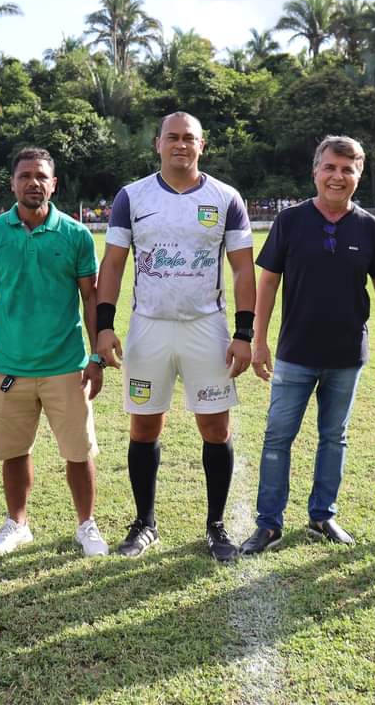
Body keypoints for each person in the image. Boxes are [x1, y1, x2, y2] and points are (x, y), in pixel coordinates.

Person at [96, 111, 256, 562]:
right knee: (145, 424)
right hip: (149, 326)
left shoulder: (226, 198)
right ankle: (144, 522)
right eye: (173, 137)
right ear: (158, 143)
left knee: (215, 425)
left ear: (202, 145)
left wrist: (244, 332)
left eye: (190, 138)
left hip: (206, 327)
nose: (181, 145)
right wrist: (104, 326)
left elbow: (243, 268)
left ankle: (216, 525)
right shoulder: (132, 196)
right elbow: (112, 263)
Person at [240, 136, 375, 555]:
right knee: (278, 437)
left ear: (359, 175)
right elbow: (268, 283)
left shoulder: (370, 228)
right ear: (315, 171)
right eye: (330, 167)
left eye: (348, 169)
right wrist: (259, 341)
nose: (337, 176)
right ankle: (268, 524)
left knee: (335, 437)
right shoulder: (290, 221)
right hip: (295, 353)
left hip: (347, 356)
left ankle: (322, 516)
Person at [0, 147, 109, 557]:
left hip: (67, 365)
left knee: (79, 452)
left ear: (54, 184)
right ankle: (17, 523)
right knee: (13, 450)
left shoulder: (76, 234)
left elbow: (91, 299)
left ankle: (87, 526)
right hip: (10, 364)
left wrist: (96, 358)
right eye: (25, 176)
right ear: (12, 183)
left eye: (41, 176)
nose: (33, 183)